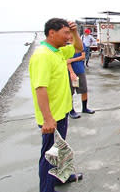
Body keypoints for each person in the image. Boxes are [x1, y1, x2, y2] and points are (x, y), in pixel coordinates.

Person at [29, 18, 84, 192]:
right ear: (52, 33)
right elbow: (40, 88)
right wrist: (47, 119)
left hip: (62, 112)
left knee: (60, 148)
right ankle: (46, 189)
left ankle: (63, 177)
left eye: (69, 33)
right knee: (49, 156)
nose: (69, 37)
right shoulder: (42, 55)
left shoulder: (58, 51)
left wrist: (75, 32)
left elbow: (78, 48)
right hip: (52, 117)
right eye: (65, 33)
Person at [67, 49, 95, 118]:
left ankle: (84, 108)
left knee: (84, 90)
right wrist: (72, 72)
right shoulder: (66, 46)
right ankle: (71, 110)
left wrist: (72, 60)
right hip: (71, 72)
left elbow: (83, 56)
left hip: (80, 70)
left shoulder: (80, 44)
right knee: (70, 92)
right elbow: (66, 61)